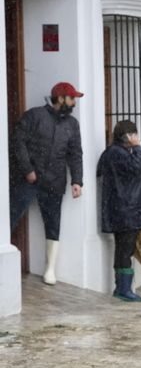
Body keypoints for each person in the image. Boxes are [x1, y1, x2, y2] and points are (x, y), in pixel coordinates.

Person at [9, 81, 84, 285]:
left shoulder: (72, 124)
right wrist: (28, 170)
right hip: (28, 179)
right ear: (60, 98)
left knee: (53, 225)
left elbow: (75, 153)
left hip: (55, 180)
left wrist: (77, 180)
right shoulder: (34, 116)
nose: (74, 103)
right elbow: (18, 142)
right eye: (72, 98)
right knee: (10, 216)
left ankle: (50, 269)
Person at [97, 120, 141, 302]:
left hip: (123, 209)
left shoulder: (114, 153)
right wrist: (139, 149)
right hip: (127, 210)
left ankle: (122, 287)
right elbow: (135, 168)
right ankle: (123, 289)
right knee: (125, 250)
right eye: (134, 135)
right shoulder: (118, 153)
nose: (137, 138)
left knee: (123, 249)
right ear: (127, 136)